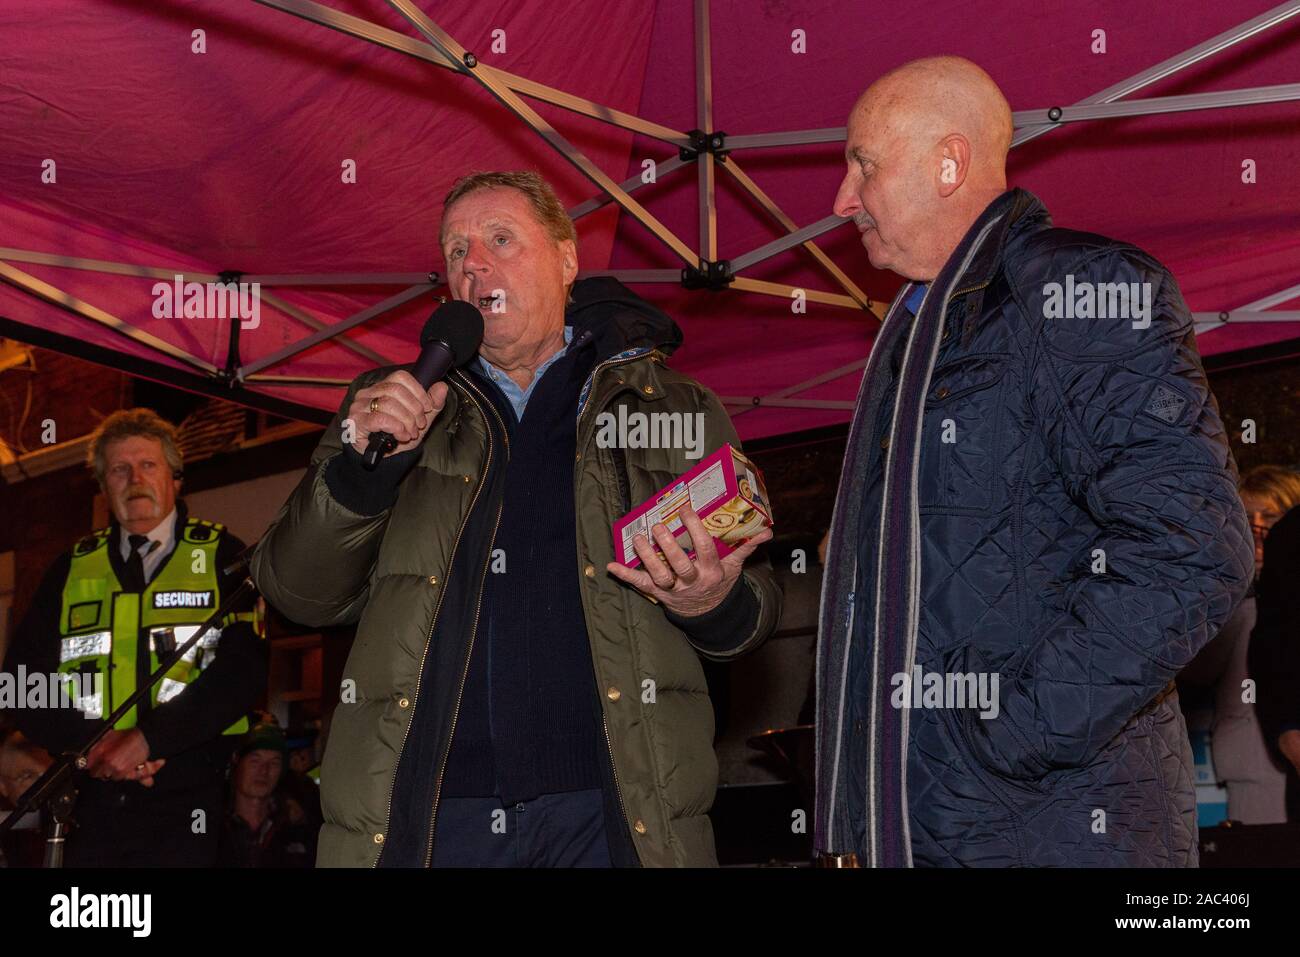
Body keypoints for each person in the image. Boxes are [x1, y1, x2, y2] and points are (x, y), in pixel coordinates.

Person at [252, 170, 782, 867]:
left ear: (567, 259)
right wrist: (362, 471)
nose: (473, 263)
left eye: (501, 239)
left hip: (615, 813)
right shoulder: (390, 407)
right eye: (455, 252)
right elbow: (296, 589)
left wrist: (712, 601)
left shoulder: (666, 407)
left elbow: (753, 611)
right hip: (436, 820)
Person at [816, 56, 1253, 867]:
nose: (842, 199)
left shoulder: (1075, 288)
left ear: (949, 162)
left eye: (861, 165)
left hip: (1043, 831)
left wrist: (1010, 731)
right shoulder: (919, 326)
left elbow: (1195, 549)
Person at [3, 409, 267, 866]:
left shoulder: (226, 558)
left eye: (148, 465)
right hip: (89, 805)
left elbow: (243, 675)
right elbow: (21, 683)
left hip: (190, 805)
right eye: (118, 470)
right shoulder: (69, 569)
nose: (134, 479)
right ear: (104, 488)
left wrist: (148, 740)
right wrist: (97, 746)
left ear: (176, 478)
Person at [1182, 465, 1300, 823]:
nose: (1259, 529)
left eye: (1273, 517)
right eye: (1248, 517)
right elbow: (1192, 667)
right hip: (1251, 766)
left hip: (1275, 764)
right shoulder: (1231, 599)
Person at [1247, 476, 1300, 821]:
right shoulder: (1293, 535)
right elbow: (1275, 642)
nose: (1257, 530)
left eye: (1268, 516)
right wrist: (1288, 728)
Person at [218, 721, 317, 867]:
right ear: (237, 763)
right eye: (255, 761)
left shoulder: (297, 827)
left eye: (274, 763)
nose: (264, 771)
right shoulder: (211, 825)